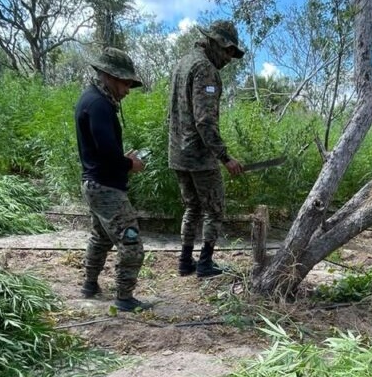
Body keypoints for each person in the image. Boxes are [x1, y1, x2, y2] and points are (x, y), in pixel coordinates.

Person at [75, 47, 151, 312]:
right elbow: (107, 154)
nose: (128, 89)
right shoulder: (99, 105)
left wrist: (122, 159)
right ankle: (124, 298)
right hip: (106, 188)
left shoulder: (92, 99)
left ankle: (90, 285)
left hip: (94, 184)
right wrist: (130, 163)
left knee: (101, 238)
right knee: (131, 244)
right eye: (126, 82)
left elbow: (102, 149)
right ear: (109, 75)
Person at [168, 20, 245, 278]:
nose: (228, 58)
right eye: (226, 51)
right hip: (199, 156)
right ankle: (205, 264)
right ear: (214, 43)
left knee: (192, 208)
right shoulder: (205, 69)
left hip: (178, 153)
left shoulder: (183, 63)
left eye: (232, 54)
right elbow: (205, 121)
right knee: (214, 209)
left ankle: (184, 261)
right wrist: (225, 157)